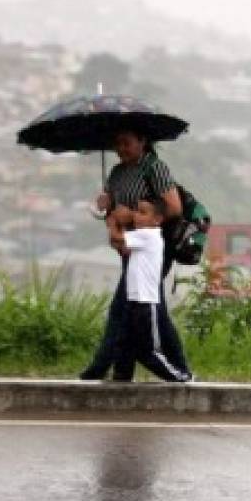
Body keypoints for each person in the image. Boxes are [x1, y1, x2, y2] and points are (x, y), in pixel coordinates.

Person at [79, 128, 190, 380]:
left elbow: (173, 208)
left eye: (127, 143)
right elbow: (110, 213)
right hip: (127, 247)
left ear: (142, 142)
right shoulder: (117, 172)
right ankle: (128, 369)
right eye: (117, 143)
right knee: (151, 309)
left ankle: (101, 366)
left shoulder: (154, 167)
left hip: (151, 247)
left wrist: (129, 216)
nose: (121, 148)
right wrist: (105, 208)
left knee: (121, 307)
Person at [111, 199, 192, 383]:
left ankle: (181, 376)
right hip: (133, 299)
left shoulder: (149, 235)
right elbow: (121, 247)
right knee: (123, 343)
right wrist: (117, 223)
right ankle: (121, 376)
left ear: (157, 219)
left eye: (142, 212)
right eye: (136, 211)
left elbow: (117, 239)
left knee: (148, 351)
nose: (136, 216)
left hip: (145, 303)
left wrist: (112, 222)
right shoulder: (141, 236)